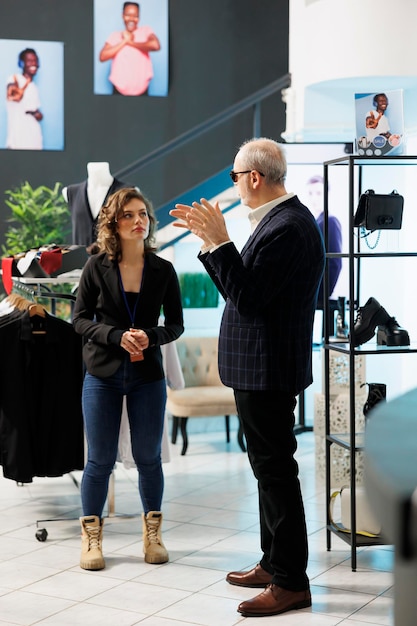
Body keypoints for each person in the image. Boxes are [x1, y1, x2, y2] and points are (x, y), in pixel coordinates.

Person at [170, 138, 325, 618]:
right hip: (259, 368)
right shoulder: (280, 221)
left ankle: (291, 583)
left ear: (253, 177)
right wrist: (211, 245)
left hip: (268, 370)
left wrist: (220, 242)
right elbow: (241, 293)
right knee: (267, 471)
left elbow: (250, 298)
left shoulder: (289, 227)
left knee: (276, 472)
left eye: (235, 177)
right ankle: (272, 561)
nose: (234, 185)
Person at [73, 187, 183, 571]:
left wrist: (150, 336)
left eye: (143, 215)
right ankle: (91, 539)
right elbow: (79, 320)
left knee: (149, 458)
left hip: (146, 375)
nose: (139, 221)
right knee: (99, 460)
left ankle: (152, 536)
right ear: (113, 224)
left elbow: (175, 325)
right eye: (129, 216)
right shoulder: (96, 266)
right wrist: (115, 335)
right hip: (102, 372)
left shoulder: (163, 269)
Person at [99, 2, 161, 96]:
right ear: (123, 16)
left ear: (139, 17)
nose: (132, 19)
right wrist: (124, 41)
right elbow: (102, 56)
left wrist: (130, 42)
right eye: (128, 15)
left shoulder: (146, 31)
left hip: (142, 93)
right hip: (118, 92)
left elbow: (156, 45)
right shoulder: (115, 36)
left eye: (135, 16)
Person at [306, 175, 342, 333]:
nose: (314, 198)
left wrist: (322, 293)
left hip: (319, 293)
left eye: (319, 193)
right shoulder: (316, 221)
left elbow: (335, 263)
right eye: (311, 193)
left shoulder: (330, 221)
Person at [6, 48, 43, 150]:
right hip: (17, 140)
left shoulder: (34, 87)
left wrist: (37, 114)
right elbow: (14, 97)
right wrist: (27, 81)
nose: (34, 64)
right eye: (30, 61)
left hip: (34, 139)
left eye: (36, 60)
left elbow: (35, 111)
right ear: (21, 64)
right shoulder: (14, 79)